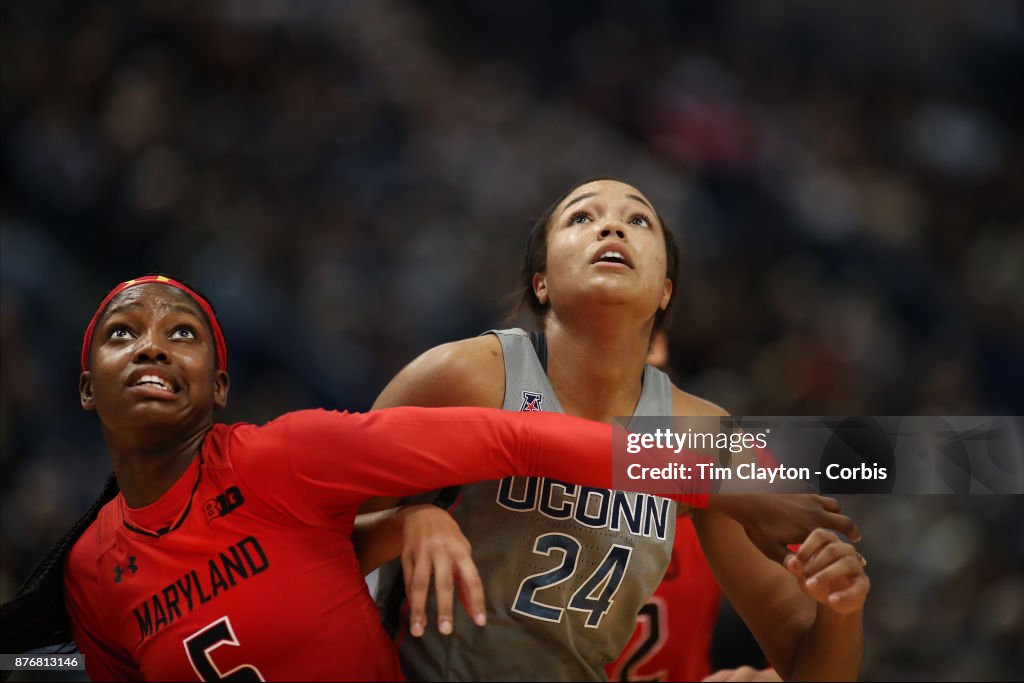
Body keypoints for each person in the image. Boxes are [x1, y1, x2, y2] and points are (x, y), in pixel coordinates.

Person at [0, 274, 711, 682]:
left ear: (218, 386)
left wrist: (721, 478)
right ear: (87, 386)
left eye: (181, 332)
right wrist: (401, 524)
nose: (152, 342)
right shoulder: (91, 571)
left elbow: (512, 436)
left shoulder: (285, 455)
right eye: (122, 333)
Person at [364, 178, 869, 681]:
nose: (611, 227)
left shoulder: (705, 434)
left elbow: (809, 670)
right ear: (542, 281)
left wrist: (840, 608)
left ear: (664, 290)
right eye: (581, 217)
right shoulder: (465, 374)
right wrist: (402, 526)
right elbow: (304, 532)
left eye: (638, 221)